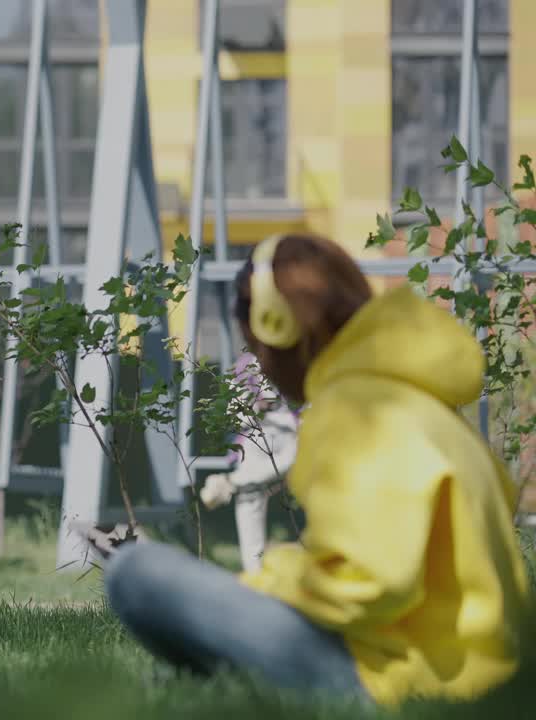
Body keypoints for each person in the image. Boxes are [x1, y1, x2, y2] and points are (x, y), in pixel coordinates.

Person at [99, 233, 531, 705]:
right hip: (480, 675)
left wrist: (266, 581)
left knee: (133, 570)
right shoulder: (425, 402)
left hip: (400, 683)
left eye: (255, 347)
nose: (262, 366)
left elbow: (365, 585)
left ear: (277, 327)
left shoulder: (352, 410)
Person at [199, 351, 299, 573]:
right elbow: (235, 417)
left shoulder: (299, 358)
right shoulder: (246, 366)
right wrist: (256, 407)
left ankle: (230, 482)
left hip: (292, 435)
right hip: (257, 435)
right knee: (250, 496)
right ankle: (253, 569)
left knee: (297, 456)